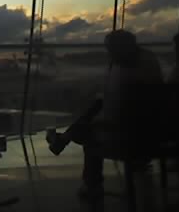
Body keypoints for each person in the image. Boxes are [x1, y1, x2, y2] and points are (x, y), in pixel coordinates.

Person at [47, 30, 163, 201]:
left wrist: (98, 119)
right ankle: (64, 139)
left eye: (110, 49)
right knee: (91, 117)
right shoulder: (148, 63)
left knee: (89, 134)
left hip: (128, 137)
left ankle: (92, 184)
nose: (108, 54)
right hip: (152, 133)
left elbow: (114, 110)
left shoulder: (122, 69)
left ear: (119, 49)